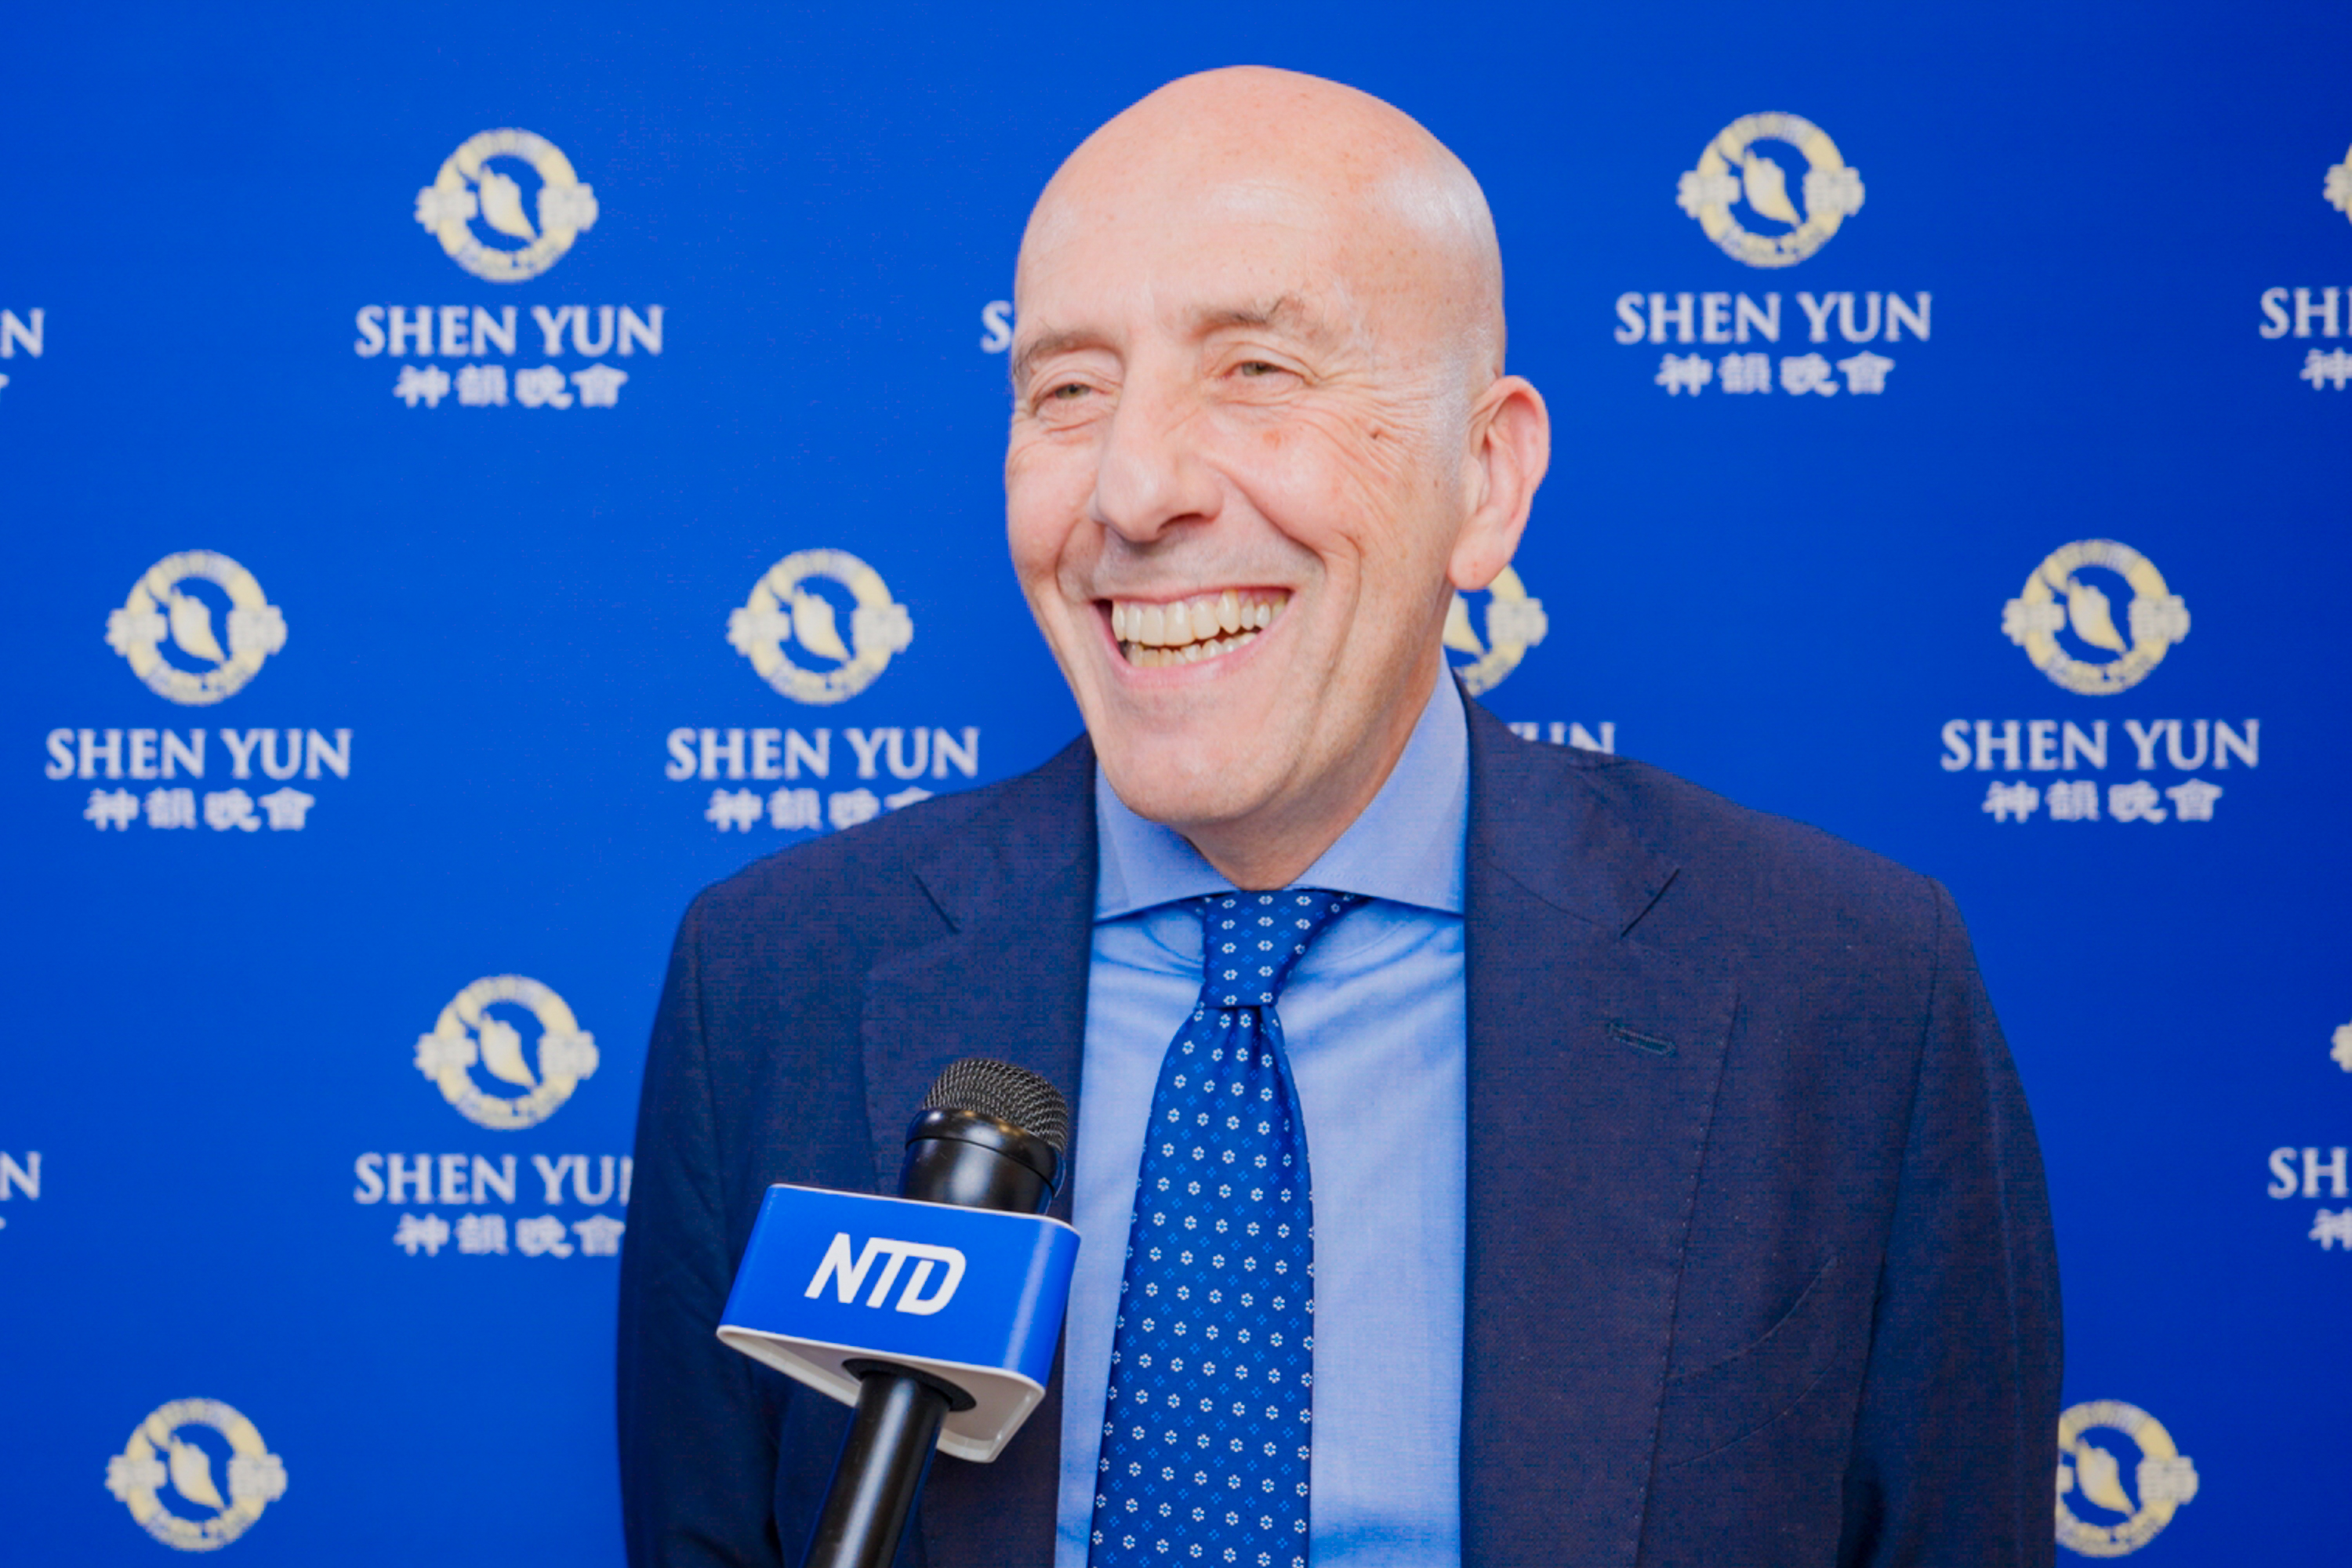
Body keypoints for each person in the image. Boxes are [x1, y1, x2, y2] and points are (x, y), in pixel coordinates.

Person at [618, 66, 2061, 1568]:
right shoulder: (775, 981)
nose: (1135, 487)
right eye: (1068, 392)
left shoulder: (1844, 990)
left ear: (1484, 481)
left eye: (1257, 370)